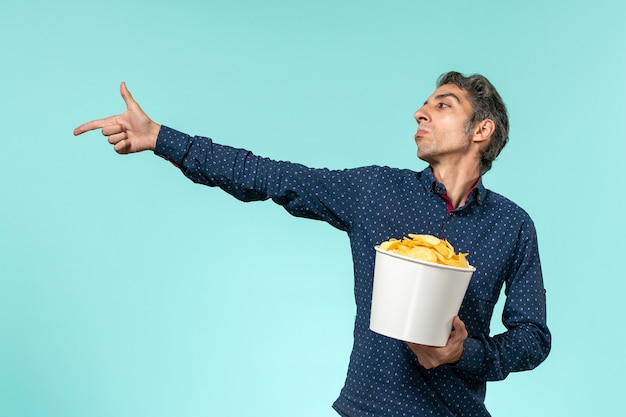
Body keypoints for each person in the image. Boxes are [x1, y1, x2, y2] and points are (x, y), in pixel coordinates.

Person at [74, 72, 551, 416]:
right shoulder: (376, 193)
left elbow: (533, 338)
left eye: (443, 104)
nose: (420, 111)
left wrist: (460, 354)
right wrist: (160, 137)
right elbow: (267, 175)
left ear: (481, 131)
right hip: (368, 409)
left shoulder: (512, 225)